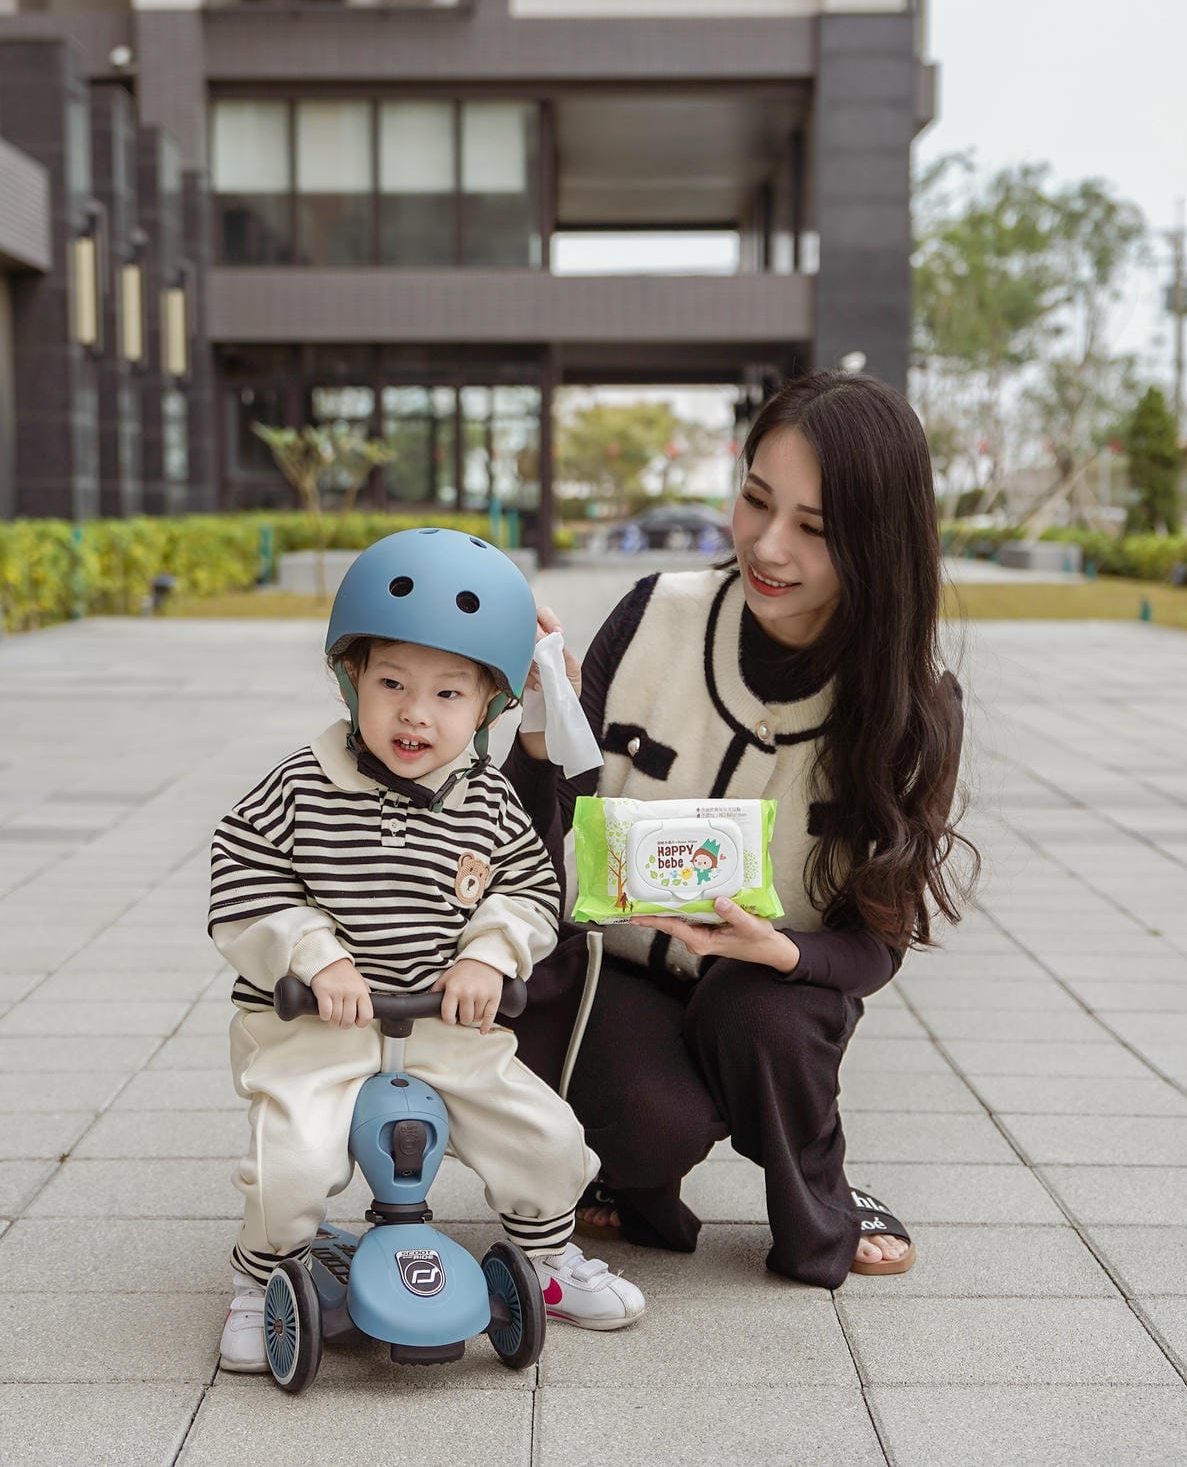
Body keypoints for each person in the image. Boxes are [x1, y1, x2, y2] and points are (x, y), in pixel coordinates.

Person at [504, 371, 977, 1288]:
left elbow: (873, 951)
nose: (767, 544)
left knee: (764, 1017)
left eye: (815, 527)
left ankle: (822, 1196)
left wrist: (781, 954)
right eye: (757, 499)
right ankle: (629, 1173)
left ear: (878, 544)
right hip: (611, 971)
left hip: (769, 998)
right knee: (652, 1127)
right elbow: (529, 825)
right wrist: (535, 721)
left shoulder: (912, 709)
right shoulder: (656, 614)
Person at [209, 529, 645, 1373]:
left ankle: (547, 1259)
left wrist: (489, 953)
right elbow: (244, 876)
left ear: (487, 708)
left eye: (449, 694)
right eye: (392, 683)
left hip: (444, 1025)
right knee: (289, 1156)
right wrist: (312, 956)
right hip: (319, 1029)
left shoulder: (487, 801)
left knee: (548, 1134)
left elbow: (528, 889)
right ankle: (256, 1276)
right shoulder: (300, 785)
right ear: (351, 679)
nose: (416, 712)